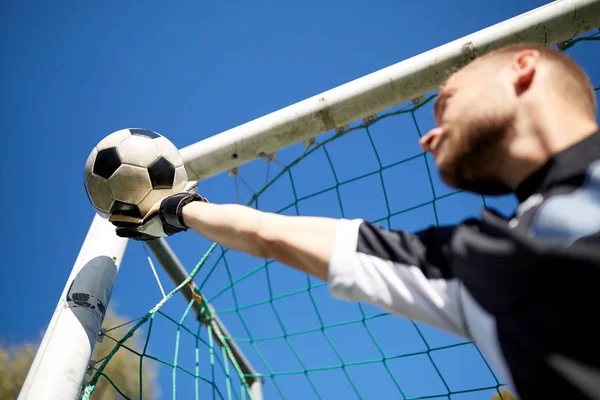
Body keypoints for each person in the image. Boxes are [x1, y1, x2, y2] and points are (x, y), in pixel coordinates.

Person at [109, 42, 600, 400]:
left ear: (524, 66)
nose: (427, 139)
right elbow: (274, 237)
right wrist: (178, 209)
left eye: (445, 103)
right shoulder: (479, 262)